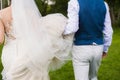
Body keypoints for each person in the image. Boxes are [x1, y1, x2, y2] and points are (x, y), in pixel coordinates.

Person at [0, 0, 73, 80]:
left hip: (10, 53)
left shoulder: (2, 13)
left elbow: (1, 39)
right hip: (28, 51)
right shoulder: (30, 12)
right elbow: (37, 32)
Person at [63, 0, 113, 80]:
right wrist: (105, 49)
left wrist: (60, 31)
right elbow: (108, 31)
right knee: (93, 77)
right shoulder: (104, 4)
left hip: (81, 48)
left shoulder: (74, 3)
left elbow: (73, 27)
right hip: (98, 48)